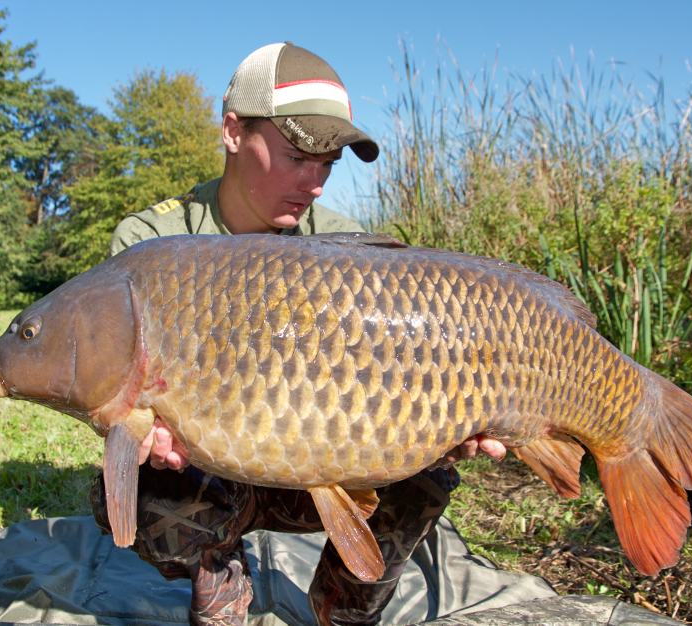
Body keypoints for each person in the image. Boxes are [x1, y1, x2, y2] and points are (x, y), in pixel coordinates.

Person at [91, 42, 507, 626]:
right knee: (148, 493)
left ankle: (344, 609)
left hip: (317, 468)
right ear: (233, 131)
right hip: (206, 471)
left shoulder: (344, 248)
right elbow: (113, 387)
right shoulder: (153, 243)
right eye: (296, 156)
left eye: (329, 163)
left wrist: (449, 418)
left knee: (427, 473)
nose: (315, 182)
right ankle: (221, 588)